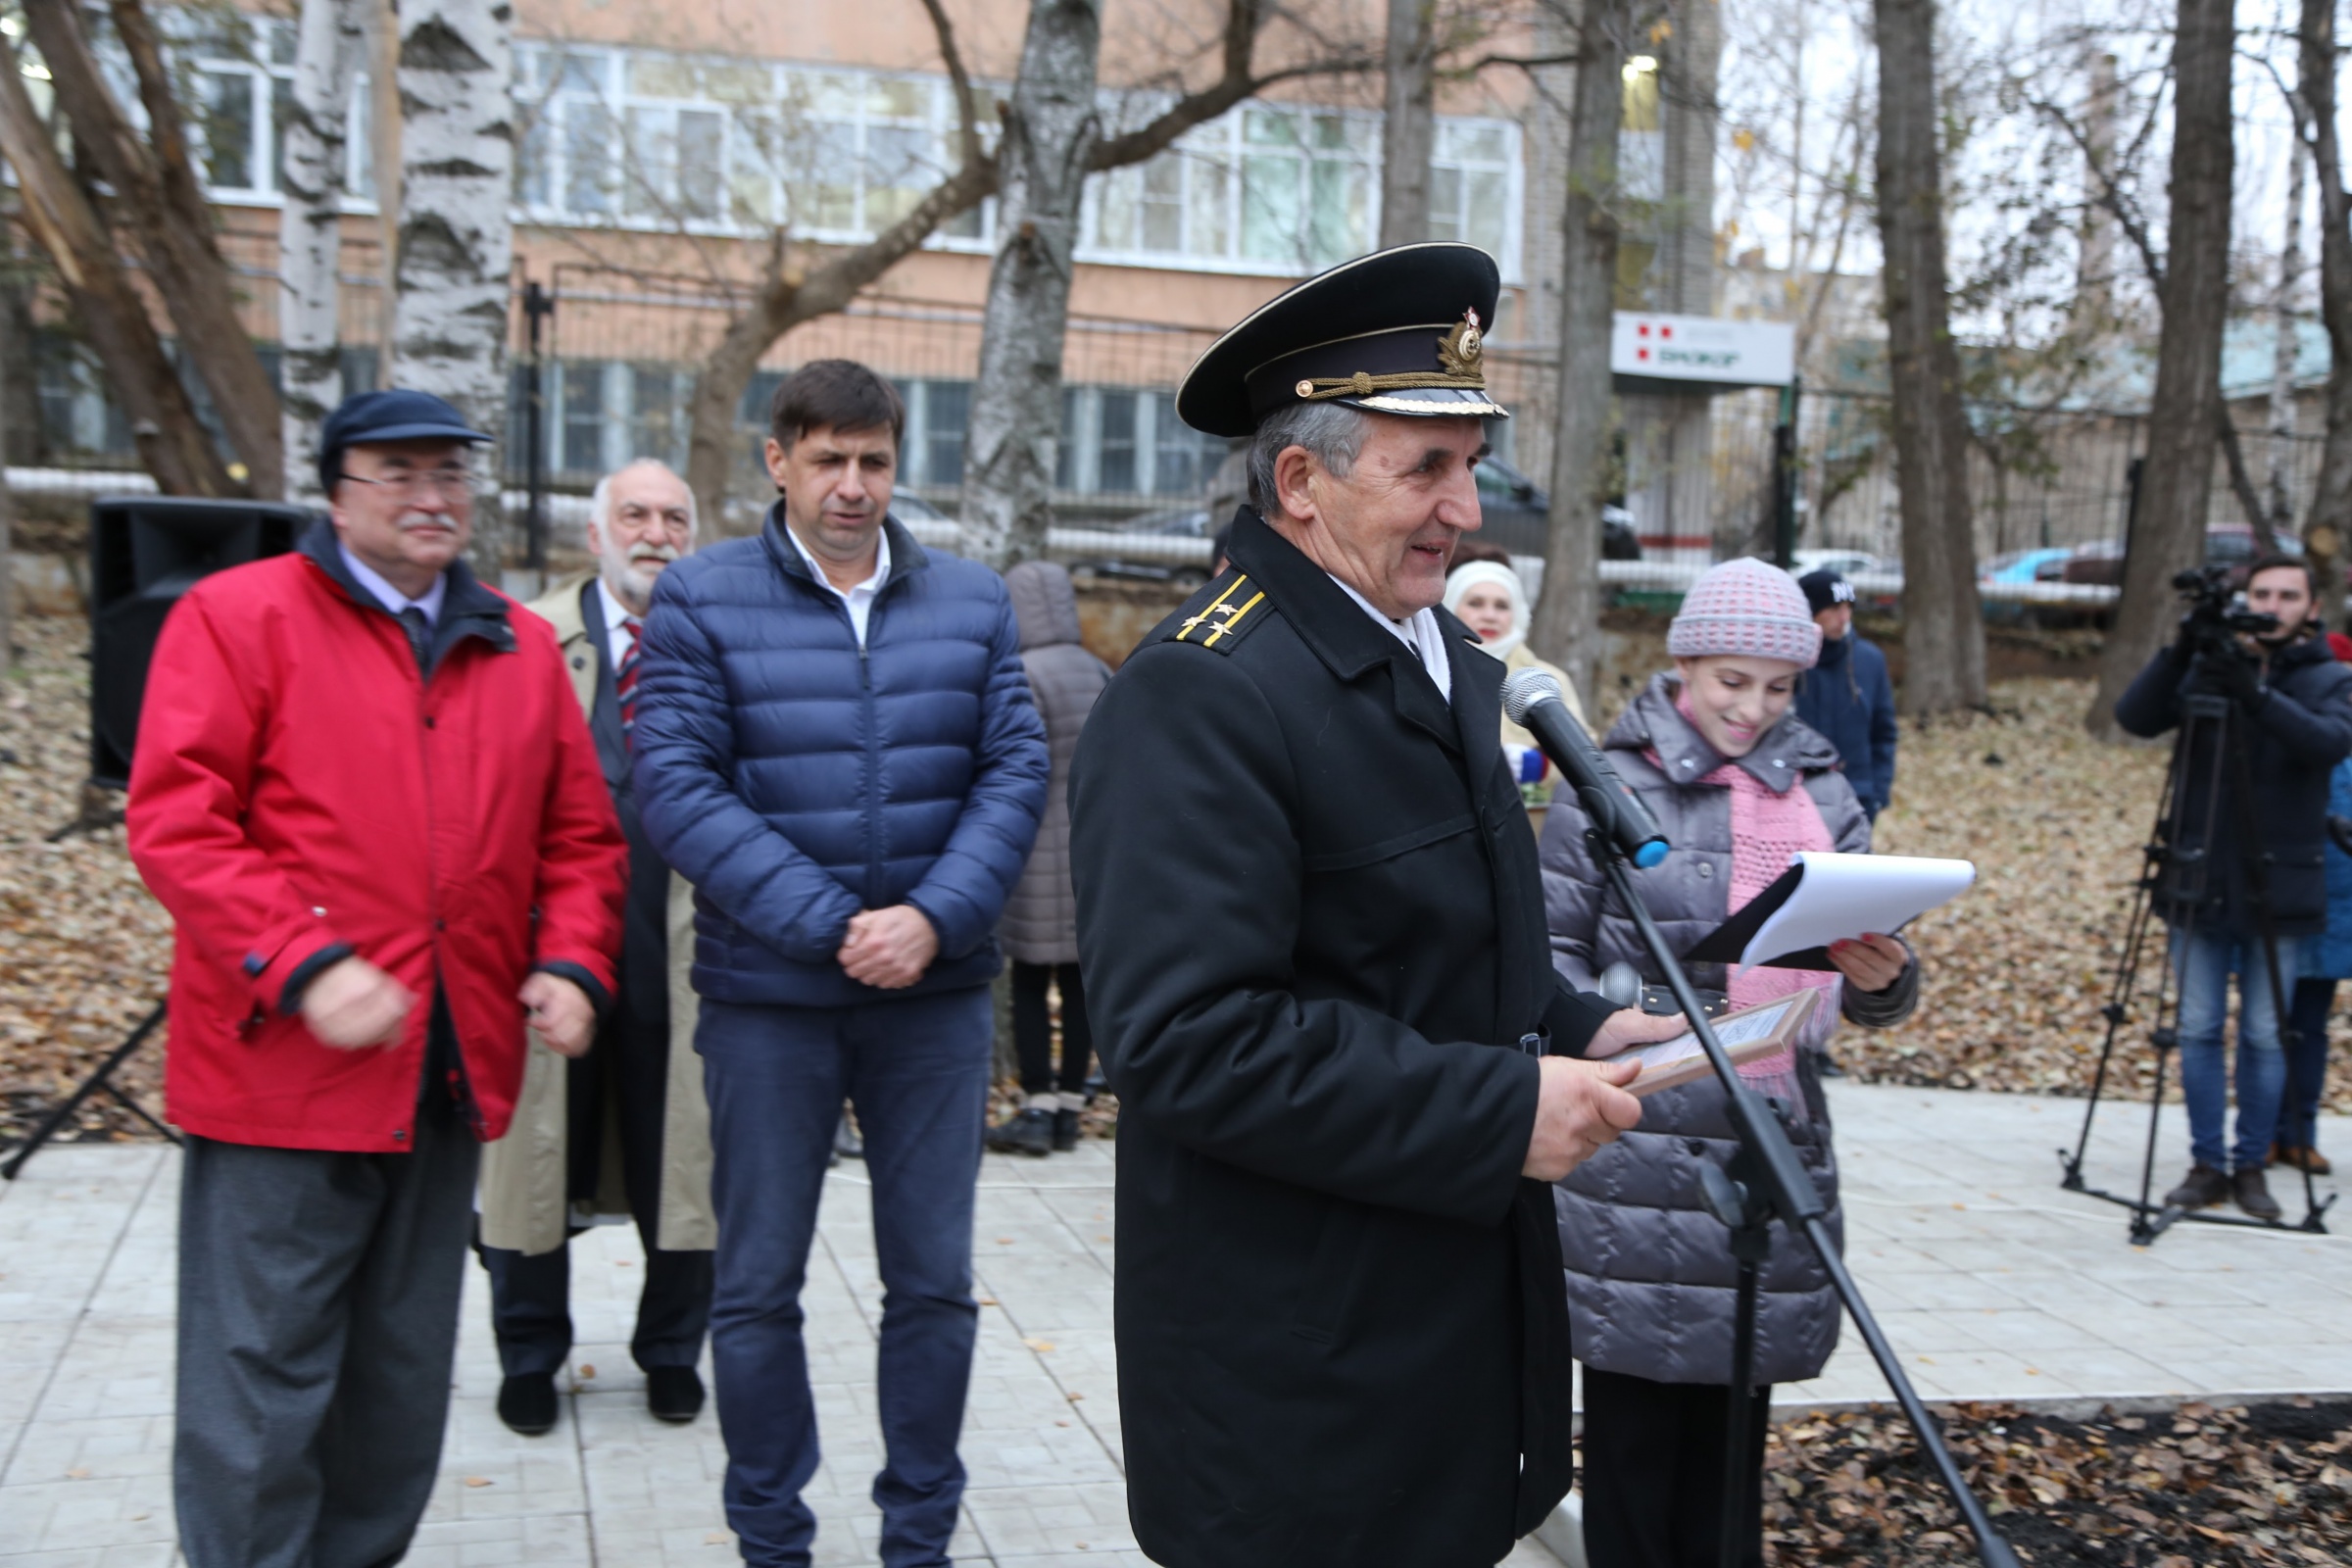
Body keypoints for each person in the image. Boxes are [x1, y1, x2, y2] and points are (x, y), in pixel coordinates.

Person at [1068, 242, 1685, 1568]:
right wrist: (1500, 1108)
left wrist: (1577, 1025)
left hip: (1444, 1330)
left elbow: (1421, 944)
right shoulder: (1203, 692)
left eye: (1473, 463)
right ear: (1301, 482)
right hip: (1302, 1376)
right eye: (1427, 469)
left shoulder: (1439, 651)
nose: (1467, 508)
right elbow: (1189, 1040)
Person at [125, 388, 626, 1568]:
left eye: (449, 472)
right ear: (338, 494)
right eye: (398, 472)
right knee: (261, 1375)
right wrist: (304, 963)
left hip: (444, 1073)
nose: (430, 496)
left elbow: (580, 839)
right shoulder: (237, 616)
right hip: (283, 1078)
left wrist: (571, 961)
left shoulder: (515, 646)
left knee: (398, 1378)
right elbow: (180, 822)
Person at [631, 360, 1050, 1568]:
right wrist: (831, 923)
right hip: (769, 1001)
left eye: (874, 460)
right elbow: (676, 784)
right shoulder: (701, 596)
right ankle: (773, 1537)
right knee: (757, 1285)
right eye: (828, 460)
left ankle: (919, 1536)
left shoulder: (970, 600)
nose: (853, 485)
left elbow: (1014, 768)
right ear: (779, 461)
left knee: (933, 1283)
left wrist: (932, 915)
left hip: (934, 997)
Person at [1540, 557, 1921, 1568]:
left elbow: (1862, 964)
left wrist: (1883, 975)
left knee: (1729, 1459)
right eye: (1731, 682)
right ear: (1686, 665)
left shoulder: (1823, 789)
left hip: (1761, 1146)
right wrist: (1610, 1023)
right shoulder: (1607, 782)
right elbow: (1548, 949)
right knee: (1631, 1446)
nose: (1753, 708)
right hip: (1634, 1149)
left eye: (1780, 687)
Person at [476, 458, 717, 1437]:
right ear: (595, 535)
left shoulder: (722, 643)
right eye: (635, 515)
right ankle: (529, 1356)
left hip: (683, 951)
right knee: (532, 1160)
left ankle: (671, 1352)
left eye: (674, 517)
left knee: (686, 1163)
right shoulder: (522, 638)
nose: (656, 533)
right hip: (547, 953)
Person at [2116, 554, 2352, 1220]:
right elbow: (2135, 717)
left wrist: (2256, 696)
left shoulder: (2330, 676)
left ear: (2311, 608)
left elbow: (2327, 743)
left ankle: (2251, 1164)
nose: (2272, 606)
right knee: (2196, 1027)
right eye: (2261, 593)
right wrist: (2183, 648)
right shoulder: (2206, 664)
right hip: (2199, 877)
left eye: (2288, 595)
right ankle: (2207, 1164)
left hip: (2282, 886)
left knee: (2265, 1034)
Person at [987, 560, 1112, 1157]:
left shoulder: (1022, 673)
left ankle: (1036, 1105)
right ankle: (1069, 1108)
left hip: (1034, 851)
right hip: (1089, 851)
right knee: (1081, 983)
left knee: (1032, 982)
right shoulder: (1096, 669)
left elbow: (1015, 767)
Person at [1444, 557, 1589, 812]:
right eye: (1475, 603)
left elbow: (1586, 753)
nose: (1490, 616)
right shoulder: (1430, 669)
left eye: (1501, 606)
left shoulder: (1545, 678)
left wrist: (1540, 767)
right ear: (1451, 606)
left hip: (1527, 821)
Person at [2274, 749, 2352, 1178]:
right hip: (2278, 890)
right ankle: (2260, 1133)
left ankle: (2300, 1134)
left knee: (2309, 1024)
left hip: (2335, 904)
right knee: (2264, 1024)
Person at [1791, 566, 1897, 820]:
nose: (1844, 617)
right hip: (1796, 797)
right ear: (1809, 611)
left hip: (1857, 797)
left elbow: (1884, 733)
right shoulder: (1789, 662)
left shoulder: (1869, 660)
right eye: (1834, 609)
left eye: (1849, 608)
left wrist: (1877, 791)